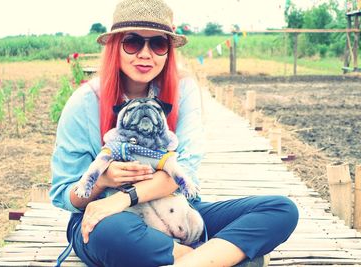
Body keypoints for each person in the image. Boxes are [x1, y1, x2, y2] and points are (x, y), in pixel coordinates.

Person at [50, 0, 299, 266]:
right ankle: (216, 257)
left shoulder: (182, 91)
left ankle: (188, 260)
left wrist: (127, 196)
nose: (146, 54)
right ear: (115, 46)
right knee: (112, 233)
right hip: (107, 218)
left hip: (175, 211)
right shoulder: (85, 102)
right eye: (133, 42)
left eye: (158, 44)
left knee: (281, 210)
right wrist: (103, 182)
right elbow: (64, 193)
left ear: (168, 51)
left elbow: (186, 172)